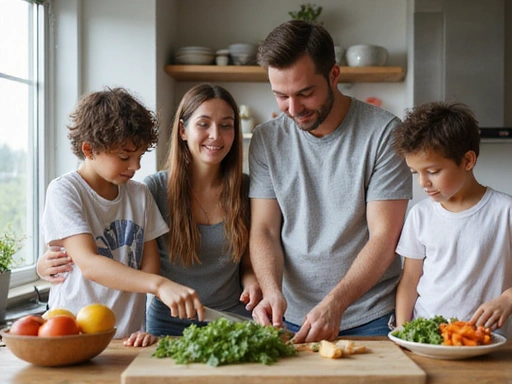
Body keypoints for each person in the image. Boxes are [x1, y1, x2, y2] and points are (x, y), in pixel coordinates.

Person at [38, 84, 262, 338]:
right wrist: (42, 264)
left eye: (140, 156)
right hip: (73, 329)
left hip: (128, 332)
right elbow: (87, 262)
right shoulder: (68, 189)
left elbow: (150, 267)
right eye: (125, 157)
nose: (135, 166)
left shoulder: (138, 194)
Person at [248, 20, 412, 343]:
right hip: (291, 318)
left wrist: (335, 303)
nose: (293, 109)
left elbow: (383, 238)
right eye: (281, 96)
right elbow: (264, 229)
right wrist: (270, 291)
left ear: (334, 75)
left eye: (305, 93)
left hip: (370, 316)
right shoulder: (266, 139)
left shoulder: (384, 134)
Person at [391, 100, 512, 338]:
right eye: (415, 173)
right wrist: (404, 330)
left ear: (468, 160)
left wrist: (510, 298)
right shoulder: (420, 215)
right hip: (429, 339)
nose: (423, 183)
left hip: (486, 340)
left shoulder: (506, 210)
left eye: (432, 171)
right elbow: (410, 280)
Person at [143, 83, 261, 336]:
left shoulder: (248, 189)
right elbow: (128, 257)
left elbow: (248, 265)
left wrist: (252, 284)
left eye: (226, 125)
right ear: (183, 131)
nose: (216, 135)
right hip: (167, 325)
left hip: (232, 322)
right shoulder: (153, 190)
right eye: (204, 124)